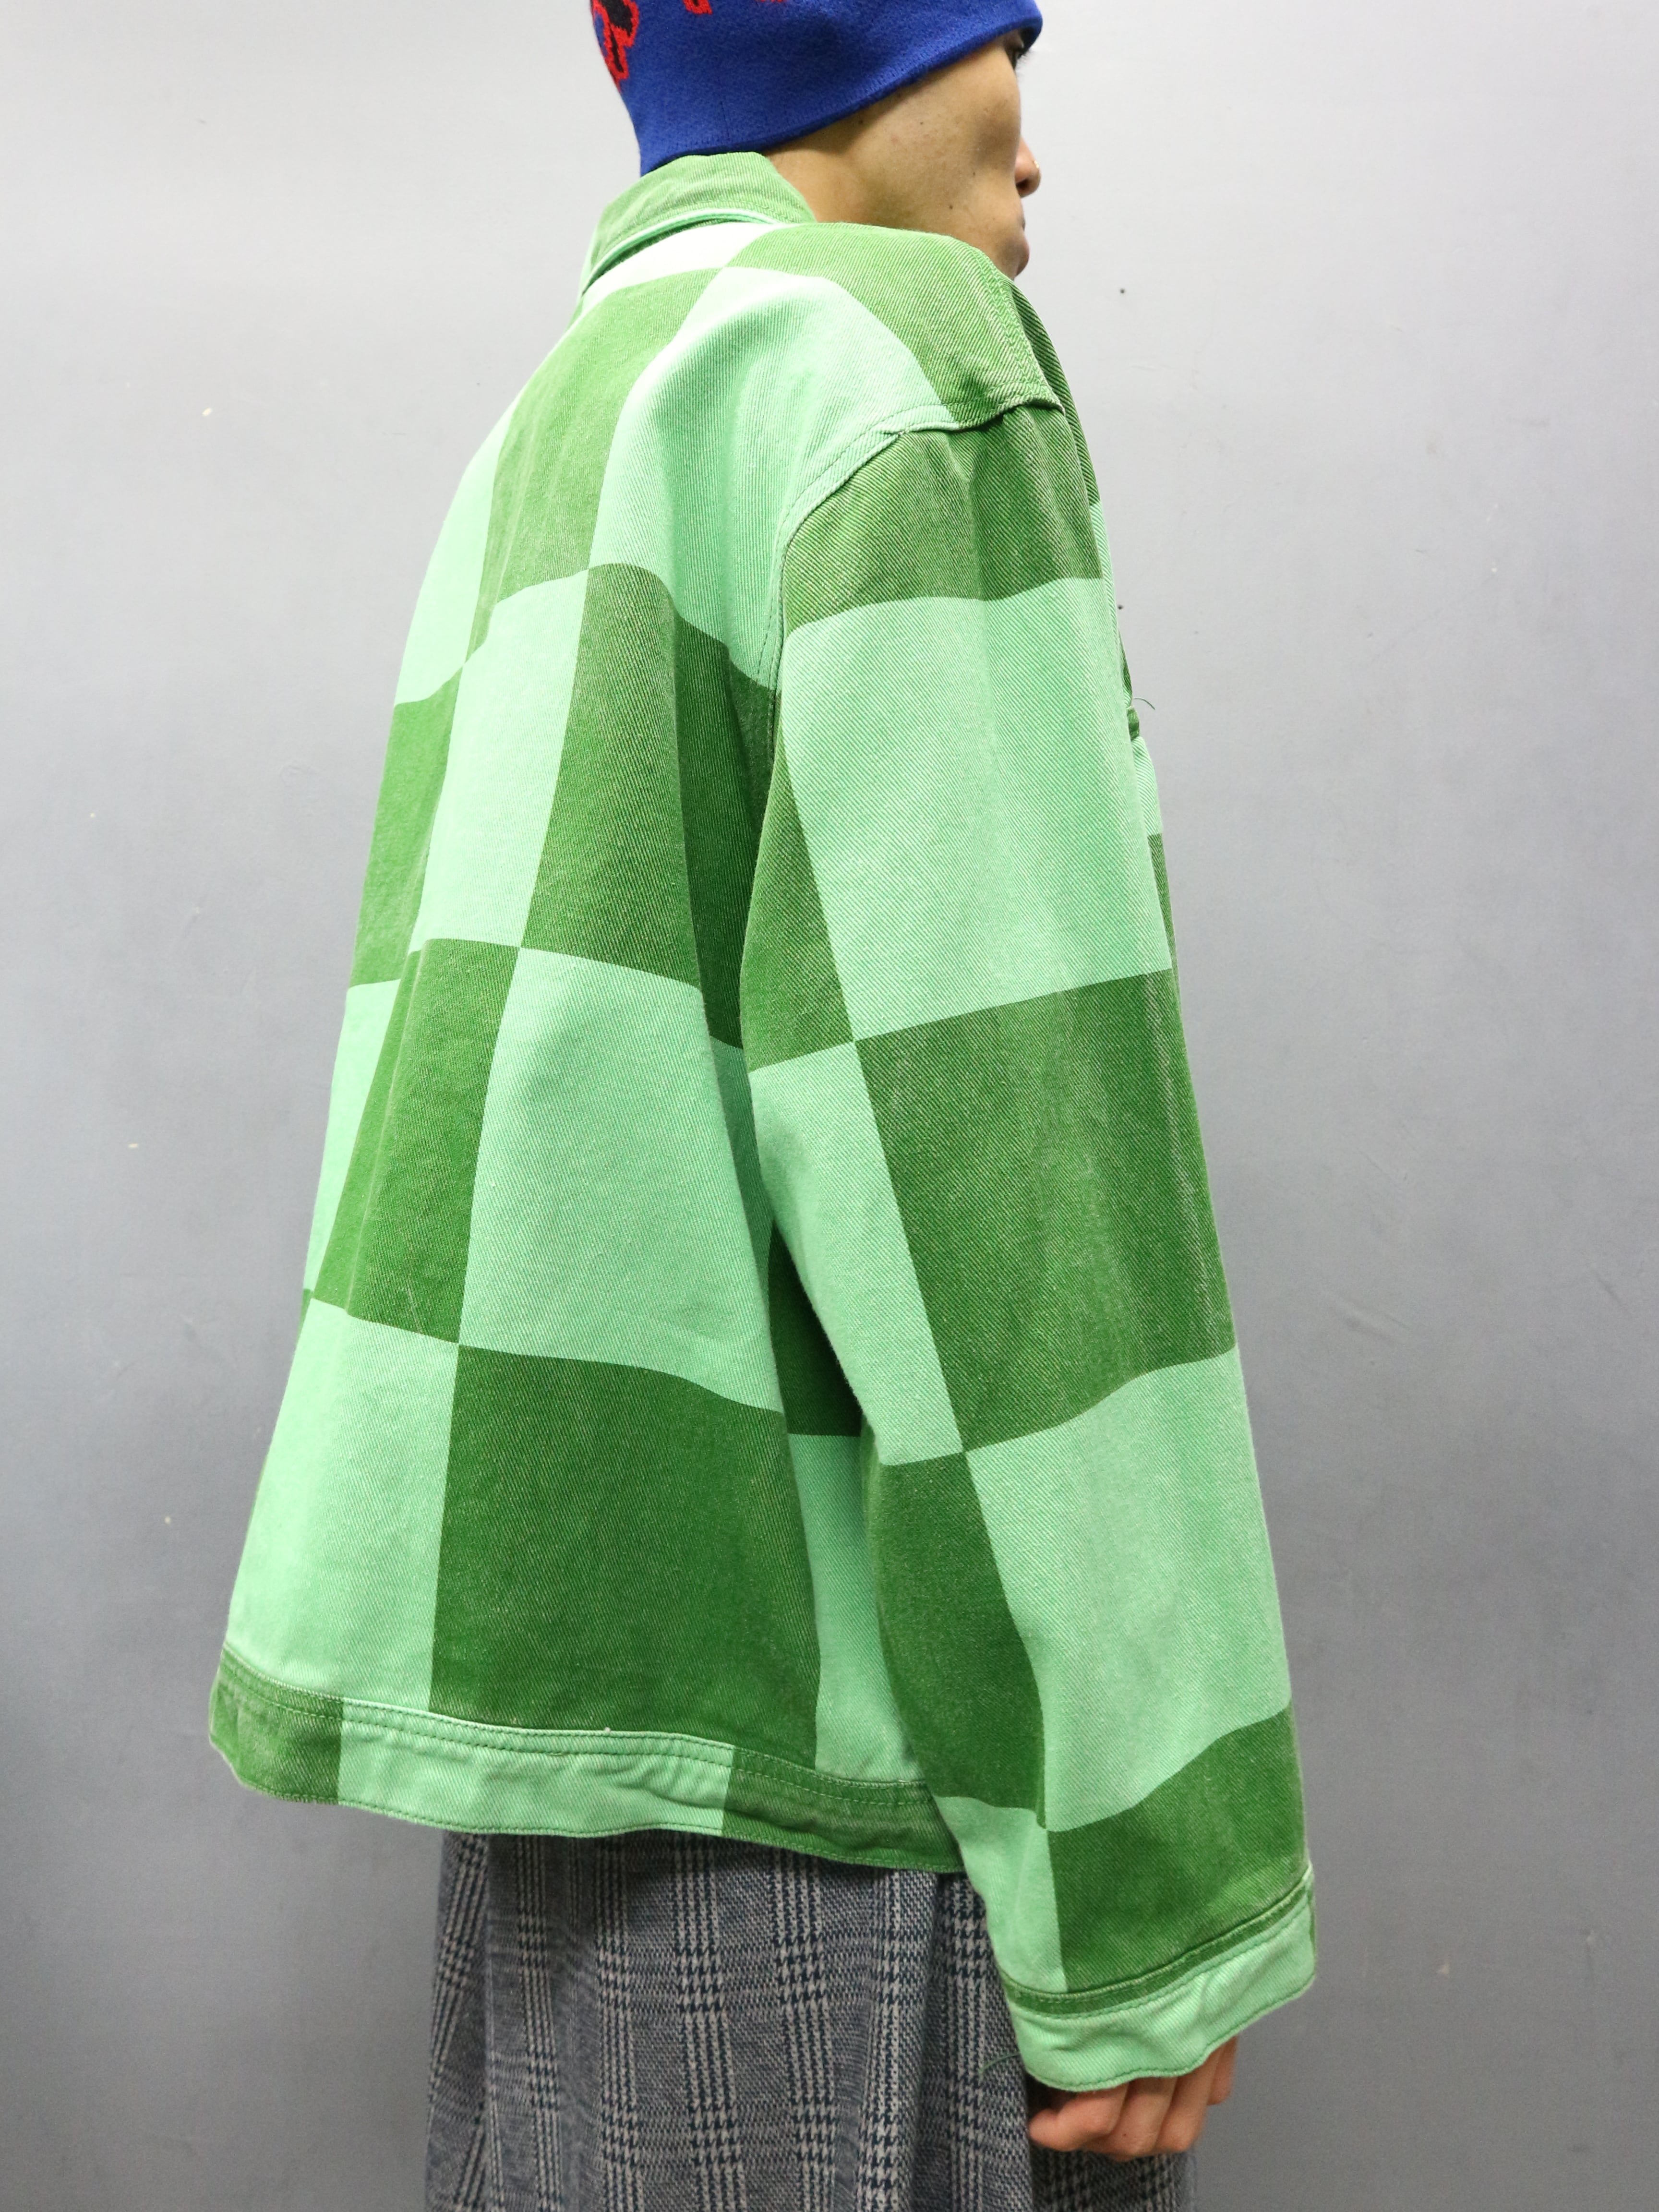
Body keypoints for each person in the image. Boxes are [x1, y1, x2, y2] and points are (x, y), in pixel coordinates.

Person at [209, 4, 1315, 2203]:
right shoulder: (895, 364)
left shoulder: (576, 402)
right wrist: (1161, 1877)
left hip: (576, 1784)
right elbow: (997, 1144)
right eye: (1000, 48)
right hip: (853, 1781)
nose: (1034, 145)